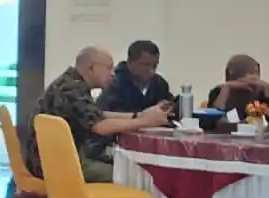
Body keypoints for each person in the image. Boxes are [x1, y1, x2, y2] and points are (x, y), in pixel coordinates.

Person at [23, 46, 170, 183]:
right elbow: (100, 126)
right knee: (136, 175)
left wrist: (139, 115)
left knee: (127, 166)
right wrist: (146, 122)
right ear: (92, 68)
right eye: (109, 67)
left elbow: (97, 115)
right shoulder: (70, 89)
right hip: (57, 165)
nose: (113, 73)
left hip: (55, 158)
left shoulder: (71, 83)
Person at [98, 40, 175, 116]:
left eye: (155, 65)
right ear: (130, 62)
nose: (151, 70)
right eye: (145, 65)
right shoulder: (113, 84)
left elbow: (170, 104)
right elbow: (103, 114)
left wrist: (168, 106)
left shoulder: (159, 83)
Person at [207, 54, 269, 124]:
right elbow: (210, 123)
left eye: (257, 73)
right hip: (223, 135)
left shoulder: (259, 92)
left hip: (252, 135)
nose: (256, 77)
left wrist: (268, 91)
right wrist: (226, 89)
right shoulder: (218, 91)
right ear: (237, 74)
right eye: (251, 73)